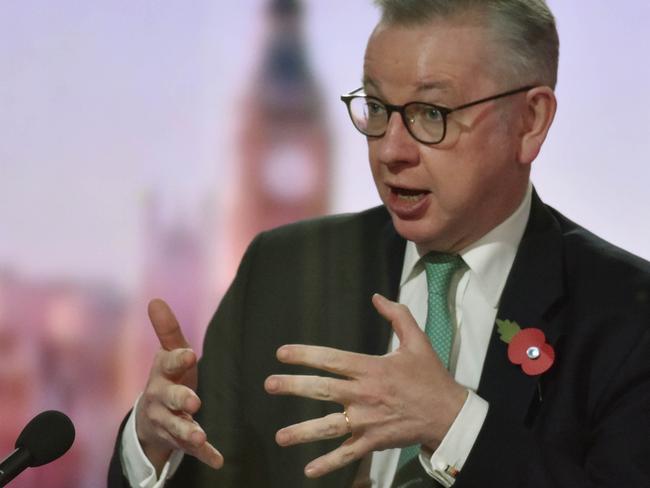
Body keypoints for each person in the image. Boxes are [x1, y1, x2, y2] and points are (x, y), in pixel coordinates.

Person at [108, 1, 650, 487]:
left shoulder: (628, 315)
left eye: (429, 115)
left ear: (530, 121)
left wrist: (456, 426)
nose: (391, 150)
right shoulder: (283, 271)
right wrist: (155, 446)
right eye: (376, 108)